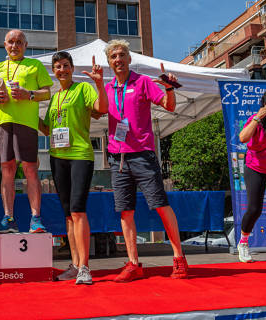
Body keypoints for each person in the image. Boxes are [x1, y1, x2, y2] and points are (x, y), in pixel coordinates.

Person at [104, 40, 188, 281]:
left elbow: (168, 107)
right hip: (116, 157)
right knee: (125, 212)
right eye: (113, 56)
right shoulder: (108, 89)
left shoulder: (141, 82)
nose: (118, 59)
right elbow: (98, 110)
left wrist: (170, 88)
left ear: (129, 59)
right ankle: (133, 263)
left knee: (161, 205)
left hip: (142, 154)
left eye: (122, 55)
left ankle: (179, 257)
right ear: (109, 63)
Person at [39, 52, 108, 285]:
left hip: (80, 156)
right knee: (68, 215)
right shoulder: (55, 97)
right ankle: (76, 265)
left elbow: (102, 108)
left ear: (72, 68)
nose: (62, 70)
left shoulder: (83, 88)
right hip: (57, 157)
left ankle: (85, 268)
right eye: (58, 67)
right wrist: (26, 110)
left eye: (66, 66)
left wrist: (99, 83)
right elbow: (47, 129)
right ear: (54, 71)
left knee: (78, 211)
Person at [0, 29, 53, 233]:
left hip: (27, 123)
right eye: (11, 42)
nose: (15, 46)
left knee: (30, 169)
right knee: (7, 170)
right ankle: (8, 218)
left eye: (19, 42)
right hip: (2, 123)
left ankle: (35, 219)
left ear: (26, 45)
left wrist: (28, 94)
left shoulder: (35, 65)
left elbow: (47, 93)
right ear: (4, 45)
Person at [237, 85, 266, 263]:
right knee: (254, 209)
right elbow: (243, 138)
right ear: (265, 103)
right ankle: (243, 243)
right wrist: (256, 120)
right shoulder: (258, 119)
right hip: (256, 168)